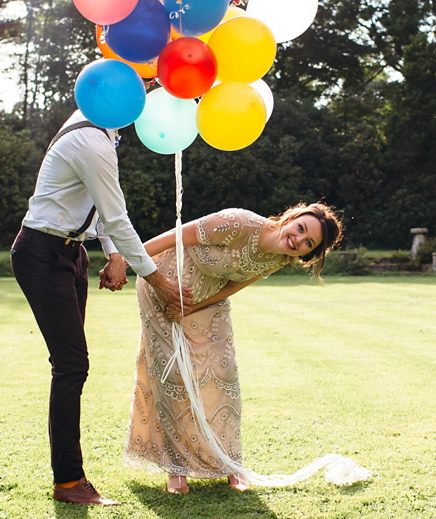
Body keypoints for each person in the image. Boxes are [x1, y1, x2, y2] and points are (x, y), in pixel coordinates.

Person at [12, 110, 191, 506]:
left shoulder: (101, 130)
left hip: (71, 252)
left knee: (71, 366)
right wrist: (155, 277)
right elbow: (117, 216)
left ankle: (69, 478)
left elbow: (101, 202)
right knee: (72, 366)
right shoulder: (91, 140)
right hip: (42, 253)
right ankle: (69, 481)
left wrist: (112, 254)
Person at [123, 203, 343, 494]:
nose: (298, 240)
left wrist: (194, 308)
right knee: (172, 375)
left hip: (207, 299)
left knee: (224, 375)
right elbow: (173, 237)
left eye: (308, 244)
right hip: (163, 282)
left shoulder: (279, 257)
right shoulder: (238, 222)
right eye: (300, 229)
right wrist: (124, 261)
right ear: (291, 217)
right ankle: (177, 469)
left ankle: (230, 465)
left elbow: (232, 288)